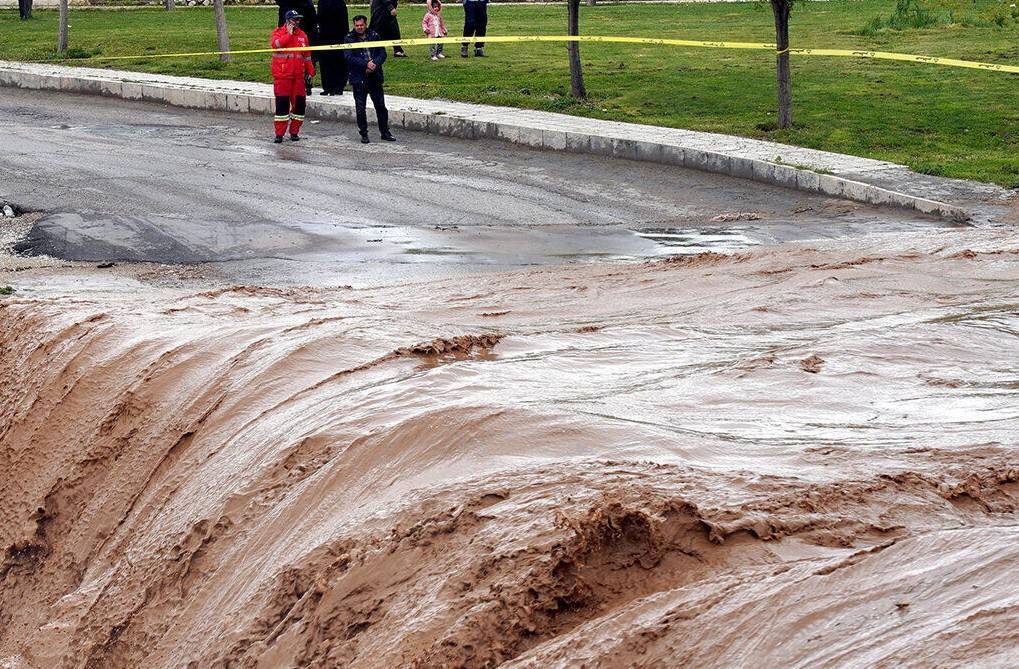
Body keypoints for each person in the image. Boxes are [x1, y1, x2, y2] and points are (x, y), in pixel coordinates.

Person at [344, 15, 396, 144]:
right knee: (360, 108)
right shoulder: (349, 38)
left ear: (365, 24)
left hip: (375, 76)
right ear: (354, 25)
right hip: (359, 78)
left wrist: (374, 64)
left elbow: (382, 53)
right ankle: (364, 134)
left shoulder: (374, 35)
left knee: (381, 107)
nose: (359, 28)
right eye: (357, 26)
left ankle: (385, 132)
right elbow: (348, 57)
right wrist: (365, 64)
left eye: (361, 25)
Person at [270, 10, 315, 143]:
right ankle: (279, 134)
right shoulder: (278, 32)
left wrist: (310, 72)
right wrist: (288, 34)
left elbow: (307, 56)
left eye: (298, 20)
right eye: (295, 19)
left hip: (298, 77)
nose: (297, 22)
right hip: (282, 77)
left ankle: (294, 132)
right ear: (288, 20)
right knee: (282, 107)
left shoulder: (303, 36)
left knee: (300, 106)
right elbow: (276, 45)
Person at [317, 0, 349, 95]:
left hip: (327, 36)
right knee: (336, 62)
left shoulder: (322, 2)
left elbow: (319, 17)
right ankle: (337, 87)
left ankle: (329, 87)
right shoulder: (340, 3)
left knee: (328, 63)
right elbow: (344, 21)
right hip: (335, 36)